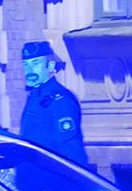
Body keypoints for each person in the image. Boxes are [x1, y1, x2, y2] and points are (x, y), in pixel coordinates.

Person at [18, 39, 89, 167]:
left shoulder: (60, 100)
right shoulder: (35, 97)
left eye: (35, 63)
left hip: (50, 179)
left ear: (50, 66)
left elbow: (70, 150)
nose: (29, 70)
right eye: (26, 64)